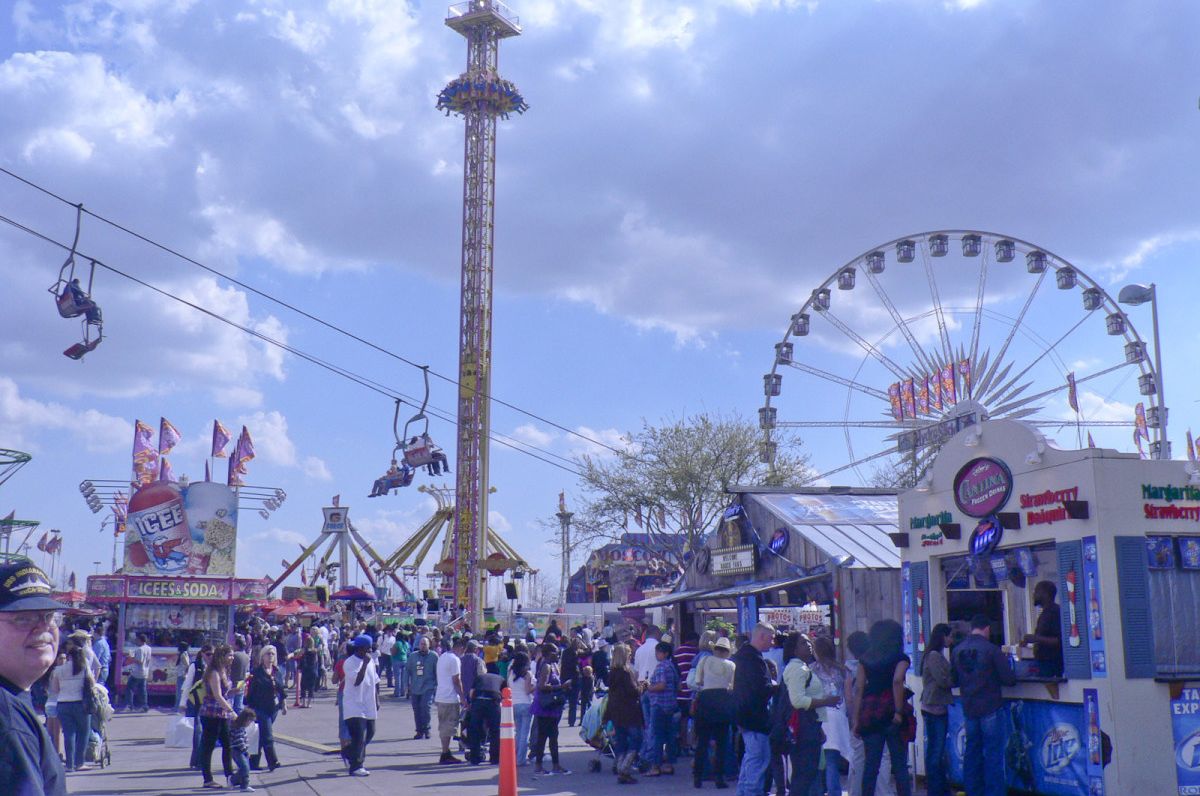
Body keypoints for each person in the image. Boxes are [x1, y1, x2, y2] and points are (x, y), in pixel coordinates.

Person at [0, 559, 70, 795]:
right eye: (23, 618)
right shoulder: (8, 720)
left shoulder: (13, 699)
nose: (43, 628)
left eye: (49, 616)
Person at [952, 614, 1016, 796]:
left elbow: (953, 680)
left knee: (972, 753)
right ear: (987, 629)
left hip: (969, 708)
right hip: (990, 706)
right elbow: (1009, 679)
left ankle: (973, 791)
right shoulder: (992, 650)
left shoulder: (957, 650)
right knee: (993, 755)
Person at [853, 620, 913, 796]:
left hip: (869, 712)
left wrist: (855, 720)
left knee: (871, 765)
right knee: (900, 764)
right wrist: (898, 711)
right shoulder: (901, 658)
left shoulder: (865, 659)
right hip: (891, 711)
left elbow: (859, 690)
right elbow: (897, 681)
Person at [781, 633, 840, 796]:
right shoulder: (797, 668)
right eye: (802, 643)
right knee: (804, 774)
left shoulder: (804, 667)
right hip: (803, 729)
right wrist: (826, 702)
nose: (807, 645)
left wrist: (819, 727)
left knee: (811, 772)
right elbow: (798, 700)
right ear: (794, 649)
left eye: (809, 642)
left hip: (811, 726)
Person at [732, 622, 775, 796]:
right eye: (771, 638)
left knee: (750, 760)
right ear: (762, 636)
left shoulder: (741, 656)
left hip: (744, 715)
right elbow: (759, 689)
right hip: (754, 717)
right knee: (758, 761)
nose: (773, 643)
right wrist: (778, 687)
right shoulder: (753, 659)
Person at [692, 635, 735, 789]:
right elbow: (732, 686)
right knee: (722, 743)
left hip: (706, 700)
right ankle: (719, 777)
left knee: (702, 741)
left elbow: (698, 681)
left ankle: (698, 776)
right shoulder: (731, 665)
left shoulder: (704, 660)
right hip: (723, 702)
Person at [811, 635, 852, 796]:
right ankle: (835, 792)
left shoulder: (811, 669)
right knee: (832, 760)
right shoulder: (843, 670)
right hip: (838, 716)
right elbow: (849, 697)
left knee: (818, 760)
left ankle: (818, 791)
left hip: (818, 715)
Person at [49, 638, 93, 773]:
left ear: (68, 656)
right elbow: (92, 683)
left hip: (63, 704)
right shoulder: (84, 668)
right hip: (80, 704)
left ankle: (69, 764)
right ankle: (80, 763)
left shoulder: (58, 670)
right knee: (83, 732)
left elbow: (55, 689)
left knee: (69, 734)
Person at [920, 624, 953, 796]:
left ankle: (939, 788)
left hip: (933, 706)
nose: (951, 639)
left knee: (935, 750)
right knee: (936, 751)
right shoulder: (934, 656)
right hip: (934, 707)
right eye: (950, 636)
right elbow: (943, 680)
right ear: (943, 636)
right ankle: (935, 790)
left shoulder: (934, 655)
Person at [604, 642, 643, 785]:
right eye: (629, 654)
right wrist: (642, 686)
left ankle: (620, 766)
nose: (630, 656)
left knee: (621, 741)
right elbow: (633, 692)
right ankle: (625, 768)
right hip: (629, 711)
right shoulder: (626, 673)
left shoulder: (612, 673)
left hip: (615, 711)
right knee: (636, 739)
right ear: (624, 656)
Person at [199, 644, 236, 789]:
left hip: (221, 714)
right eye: (230, 655)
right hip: (211, 713)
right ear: (222, 656)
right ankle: (207, 779)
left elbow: (224, 693)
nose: (232, 658)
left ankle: (230, 776)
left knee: (228, 745)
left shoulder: (224, 671)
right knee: (208, 746)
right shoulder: (213, 672)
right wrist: (231, 711)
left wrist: (235, 690)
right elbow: (217, 695)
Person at [343, 635, 380, 777]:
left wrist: (377, 700)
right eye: (367, 649)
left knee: (370, 732)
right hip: (354, 705)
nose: (369, 651)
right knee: (360, 736)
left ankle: (348, 751)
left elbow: (375, 681)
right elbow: (357, 681)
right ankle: (356, 766)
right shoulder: (350, 662)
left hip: (368, 703)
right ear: (360, 649)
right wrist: (364, 664)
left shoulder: (370, 662)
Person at [531, 641, 570, 775]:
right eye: (555, 652)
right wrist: (561, 687)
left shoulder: (553, 665)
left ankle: (555, 765)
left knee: (553, 736)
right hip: (545, 706)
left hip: (552, 706)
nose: (558, 654)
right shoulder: (546, 666)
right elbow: (541, 686)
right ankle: (539, 765)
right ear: (548, 653)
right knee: (544, 736)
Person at [245, 645, 286, 772]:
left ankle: (253, 761)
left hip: (273, 708)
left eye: (273, 654)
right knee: (268, 735)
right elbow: (250, 692)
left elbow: (281, 689)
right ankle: (272, 761)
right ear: (262, 656)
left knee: (261, 735)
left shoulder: (276, 672)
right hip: (260, 708)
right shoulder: (256, 673)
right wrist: (249, 708)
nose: (271, 656)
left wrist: (283, 705)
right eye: (268, 654)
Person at [645, 641, 680, 777]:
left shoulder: (661, 667)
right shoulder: (672, 666)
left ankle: (655, 766)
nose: (656, 655)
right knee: (670, 736)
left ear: (665, 653)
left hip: (659, 704)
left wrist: (649, 687)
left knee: (657, 736)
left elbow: (661, 685)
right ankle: (668, 765)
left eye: (658, 652)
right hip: (671, 705)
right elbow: (678, 686)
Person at [435, 637, 466, 764]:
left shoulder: (442, 657)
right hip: (450, 697)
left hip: (440, 695)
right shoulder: (455, 659)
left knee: (443, 726)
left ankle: (445, 751)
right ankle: (445, 752)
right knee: (449, 726)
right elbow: (456, 680)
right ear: (461, 648)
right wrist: (463, 698)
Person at [1023, 581, 1064, 678]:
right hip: (1043, 663)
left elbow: (1059, 640)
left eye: (1036, 591)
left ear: (1045, 594)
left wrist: (1036, 638)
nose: (1033, 595)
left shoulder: (1054, 612)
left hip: (1052, 664)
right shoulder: (1045, 613)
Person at [465, 666, 503, 765]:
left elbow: (471, 692)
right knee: (495, 730)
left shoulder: (480, 677)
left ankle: (475, 758)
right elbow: (505, 694)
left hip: (478, 700)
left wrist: (471, 705)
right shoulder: (501, 679)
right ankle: (495, 758)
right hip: (493, 701)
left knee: (475, 729)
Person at [506, 651, 535, 767]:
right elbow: (528, 691)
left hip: (514, 704)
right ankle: (521, 759)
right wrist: (536, 686)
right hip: (526, 703)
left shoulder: (511, 672)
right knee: (525, 733)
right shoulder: (527, 674)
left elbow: (509, 687)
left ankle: (515, 756)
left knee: (517, 732)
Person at [407, 636, 438, 739]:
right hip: (415, 686)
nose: (423, 646)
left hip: (428, 686)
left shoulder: (434, 656)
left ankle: (426, 729)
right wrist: (406, 685)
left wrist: (438, 686)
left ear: (429, 645)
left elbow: (437, 672)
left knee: (425, 707)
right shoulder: (413, 656)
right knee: (417, 709)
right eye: (421, 644)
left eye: (425, 644)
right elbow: (407, 671)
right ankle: (419, 730)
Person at [228, 708, 257, 792]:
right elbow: (239, 741)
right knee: (245, 768)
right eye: (250, 721)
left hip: (241, 750)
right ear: (245, 719)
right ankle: (234, 780)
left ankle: (243, 784)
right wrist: (245, 750)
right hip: (237, 750)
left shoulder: (240, 727)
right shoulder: (237, 727)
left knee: (245, 768)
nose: (250, 723)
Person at [126, 632, 151, 712]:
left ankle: (130, 706)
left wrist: (131, 658)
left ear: (140, 640)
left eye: (137, 639)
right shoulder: (148, 648)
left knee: (129, 688)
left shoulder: (140, 649)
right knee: (142, 690)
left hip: (137, 672)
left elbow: (140, 661)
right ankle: (144, 706)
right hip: (145, 672)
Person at [231, 635, 251, 713]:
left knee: (231, 704)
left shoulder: (234, 656)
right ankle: (240, 722)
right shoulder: (247, 657)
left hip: (233, 682)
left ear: (237, 645)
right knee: (239, 706)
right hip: (242, 682)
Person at [174, 641, 192, 712]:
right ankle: (178, 707)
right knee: (181, 692)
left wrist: (185, 672)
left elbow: (187, 665)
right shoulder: (185, 654)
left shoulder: (183, 655)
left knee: (179, 692)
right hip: (183, 675)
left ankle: (178, 707)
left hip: (181, 675)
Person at [392, 630, 410, 698]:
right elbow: (408, 652)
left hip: (397, 660)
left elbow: (394, 652)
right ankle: (403, 692)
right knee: (403, 678)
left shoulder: (397, 643)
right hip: (405, 660)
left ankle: (397, 693)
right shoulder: (406, 643)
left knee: (397, 678)